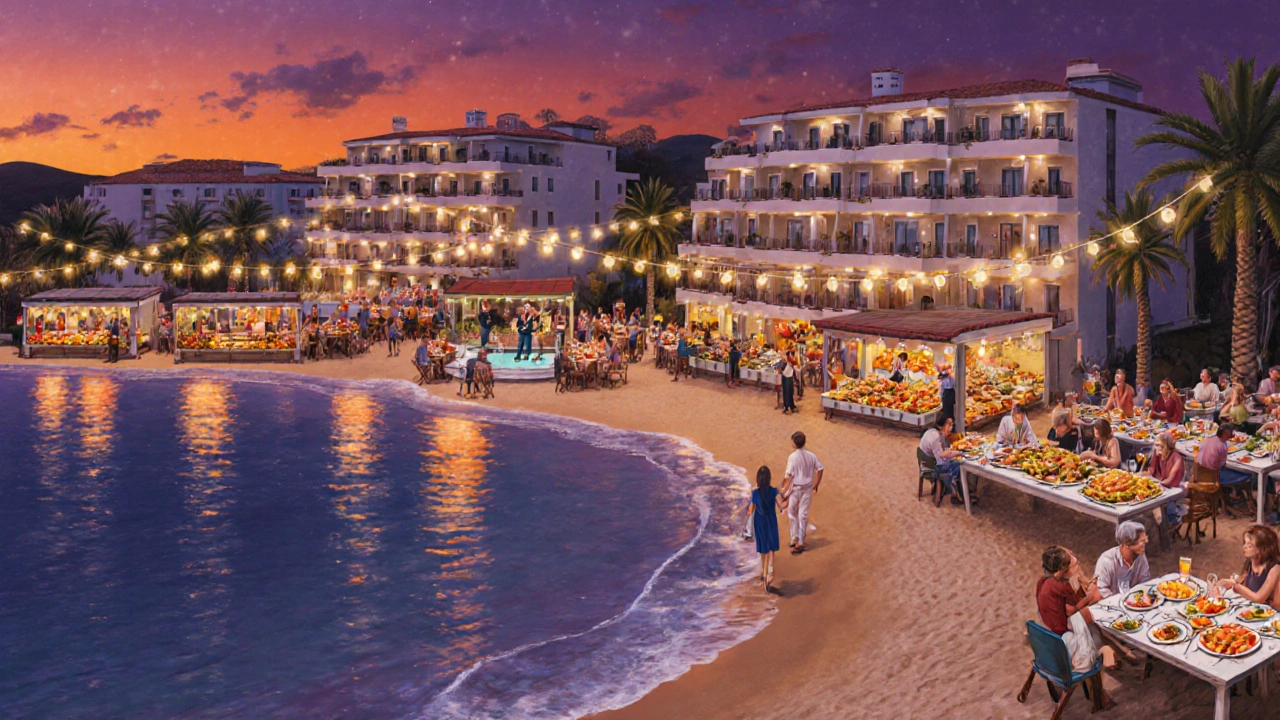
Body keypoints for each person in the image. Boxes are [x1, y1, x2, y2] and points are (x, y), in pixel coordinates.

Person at [1036, 546, 1107, 680]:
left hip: (1048, 629)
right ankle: (1101, 659)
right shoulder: (1061, 586)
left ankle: (1117, 652)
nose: (1078, 566)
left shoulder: (1044, 581)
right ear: (1064, 571)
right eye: (1075, 565)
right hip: (1061, 635)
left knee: (1091, 619)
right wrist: (1091, 596)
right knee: (1094, 626)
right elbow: (1074, 610)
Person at [743, 466, 785, 593]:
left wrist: (745, 523)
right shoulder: (773, 492)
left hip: (759, 522)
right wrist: (785, 494)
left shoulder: (755, 493)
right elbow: (782, 506)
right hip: (771, 521)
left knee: (763, 549)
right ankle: (770, 573)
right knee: (771, 548)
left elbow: (751, 509)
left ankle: (764, 572)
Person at [1217, 525, 1280, 609]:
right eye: (1244, 543)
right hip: (1250, 606)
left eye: (1249, 545)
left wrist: (1236, 586)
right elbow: (1245, 583)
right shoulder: (1250, 562)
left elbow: (1260, 598)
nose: (1244, 547)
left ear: (1262, 549)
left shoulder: (1274, 567)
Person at [781, 431, 823, 555]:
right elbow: (820, 469)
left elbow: (788, 475)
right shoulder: (811, 455)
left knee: (792, 513)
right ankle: (799, 540)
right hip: (807, 488)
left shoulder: (792, 457)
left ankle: (795, 538)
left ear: (794, 443)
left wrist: (783, 490)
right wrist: (816, 484)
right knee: (802, 515)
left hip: (796, 489)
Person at [1095, 521, 1152, 600]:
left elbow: (1145, 580)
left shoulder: (1140, 555)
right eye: (1142, 541)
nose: (1146, 542)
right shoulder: (1106, 560)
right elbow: (1101, 590)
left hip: (1136, 604)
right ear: (1127, 544)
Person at [920, 415, 967, 505]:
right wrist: (956, 453)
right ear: (942, 426)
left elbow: (940, 453)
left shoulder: (931, 432)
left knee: (954, 462)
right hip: (932, 466)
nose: (951, 427)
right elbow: (940, 459)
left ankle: (954, 490)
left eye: (952, 425)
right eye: (949, 425)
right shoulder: (936, 438)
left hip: (926, 462)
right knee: (958, 465)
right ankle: (955, 493)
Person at [1197, 423, 1253, 488]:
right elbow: (1222, 464)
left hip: (1201, 474)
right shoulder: (1222, 445)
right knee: (1248, 475)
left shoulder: (1207, 439)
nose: (1230, 438)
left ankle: (1232, 492)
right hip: (1214, 476)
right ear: (1225, 434)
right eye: (1229, 436)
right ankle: (1235, 493)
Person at [1147, 431, 1186, 525]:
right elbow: (1151, 472)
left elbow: (1170, 481)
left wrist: (1153, 482)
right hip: (1162, 483)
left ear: (1165, 446)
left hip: (1175, 487)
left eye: (1158, 445)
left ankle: (1172, 518)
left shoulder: (1177, 459)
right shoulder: (1159, 456)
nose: (1155, 447)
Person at [779, 350, 799, 414]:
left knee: (790, 392)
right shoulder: (787, 360)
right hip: (786, 377)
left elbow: (795, 365)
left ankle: (791, 406)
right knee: (787, 392)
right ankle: (787, 407)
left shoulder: (790, 361)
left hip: (788, 377)